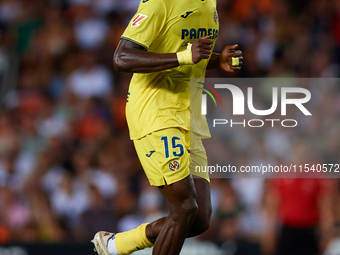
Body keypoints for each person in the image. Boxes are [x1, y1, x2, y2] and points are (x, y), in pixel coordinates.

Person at [91, 0, 243, 254]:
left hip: (188, 115)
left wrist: (218, 60)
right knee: (184, 207)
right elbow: (121, 57)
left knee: (200, 217)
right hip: (156, 112)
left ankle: (116, 245)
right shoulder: (160, 3)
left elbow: (191, 54)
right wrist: (184, 56)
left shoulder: (209, 5)